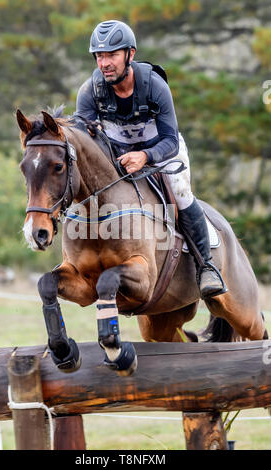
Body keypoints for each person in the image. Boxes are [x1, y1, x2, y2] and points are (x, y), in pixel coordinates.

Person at [75, 19, 227, 299]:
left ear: (130, 54)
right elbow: (82, 139)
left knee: (180, 194)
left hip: (161, 150)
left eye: (112, 55)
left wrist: (145, 156)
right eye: (99, 56)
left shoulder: (155, 86)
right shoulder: (90, 90)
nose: (104, 63)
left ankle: (206, 267)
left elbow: (170, 140)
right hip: (118, 156)